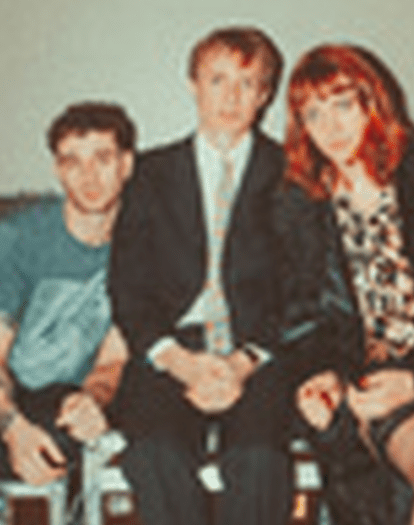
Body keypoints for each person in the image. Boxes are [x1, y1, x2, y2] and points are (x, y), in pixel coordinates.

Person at [273, 44, 414, 525]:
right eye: (313, 114)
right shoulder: (298, 205)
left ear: (371, 102)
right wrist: (322, 376)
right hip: (368, 384)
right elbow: (302, 320)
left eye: (342, 105)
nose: (331, 127)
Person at [108, 26, 292, 525]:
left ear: (265, 94)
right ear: (193, 85)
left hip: (259, 351)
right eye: (217, 80)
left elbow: (300, 291)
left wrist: (244, 361)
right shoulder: (150, 174)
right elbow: (128, 289)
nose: (231, 97)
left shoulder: (291, 173)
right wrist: (178, 361)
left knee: (260, 458)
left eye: (247, 83)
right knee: (153, 453)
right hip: (170, 349)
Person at [0, 102, 135, 485]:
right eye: (72, 162)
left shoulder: (142, 245)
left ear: (126, 165)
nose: (88, 176)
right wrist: (13, 429)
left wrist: (93, 399)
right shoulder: (17, 237)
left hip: (68, 393)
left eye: (102, 159)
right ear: (58, 170)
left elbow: (114, 358)